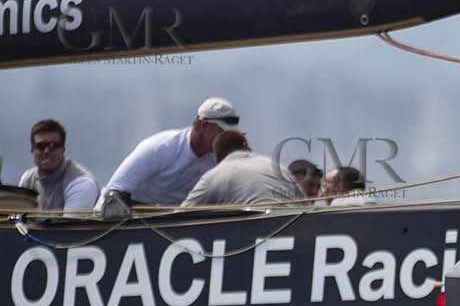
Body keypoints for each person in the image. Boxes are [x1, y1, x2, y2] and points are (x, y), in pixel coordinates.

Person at [100, 97, 240, 213]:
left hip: (175, 221)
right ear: (204, 126)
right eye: (222, 132)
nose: (226, 139)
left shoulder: (220, 160)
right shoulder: (160, 147)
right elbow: (114, 192)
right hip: (131, 216)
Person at [181, 131, 299, 206]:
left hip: (254, 231)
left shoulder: (212, 177)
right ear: (245, 146)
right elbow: (305, 206)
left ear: (216, 159)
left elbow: (181, 215)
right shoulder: (278, 167)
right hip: (291, 229)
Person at [18, 119, 99, 211]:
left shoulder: (81, 184)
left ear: (63, 150)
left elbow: (70, 220)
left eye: (53, 146)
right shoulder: (28, 179)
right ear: (32, 150)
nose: (46, 151)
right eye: (41, 146)